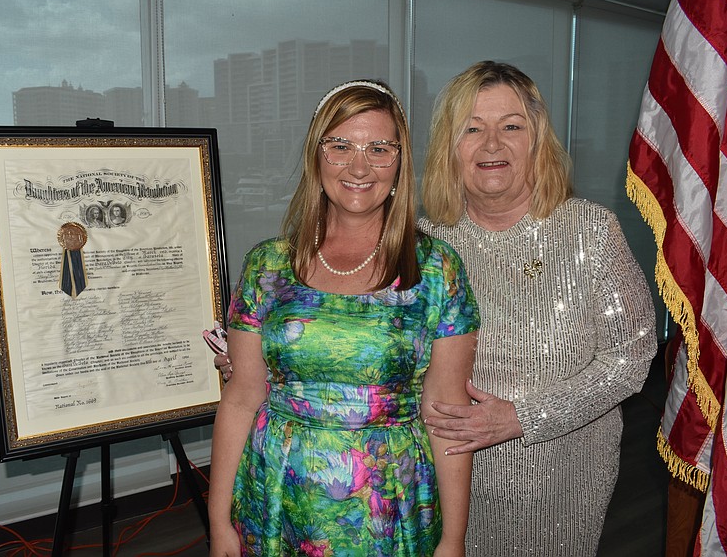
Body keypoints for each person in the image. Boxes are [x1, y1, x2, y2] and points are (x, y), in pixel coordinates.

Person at [208, 80, 480, 556]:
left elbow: (447, 416)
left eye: (380, 148)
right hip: (275, 497)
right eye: (341, 146)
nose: (360, 166)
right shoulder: (268, 266)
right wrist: (217, 525)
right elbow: (240, 398)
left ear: (400, 163)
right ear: (318, 157)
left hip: (387, 508)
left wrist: (453, 540)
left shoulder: (437, 270)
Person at [418, 61, 657, 556]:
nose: (491, 144)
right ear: (450, 147)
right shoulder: (425, 245)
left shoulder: (591, 230)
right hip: (446, 479)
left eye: (511, 126)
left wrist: (523, 416)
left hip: (562, 485)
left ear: (537, 141)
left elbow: (631, 357)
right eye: (472, 128)